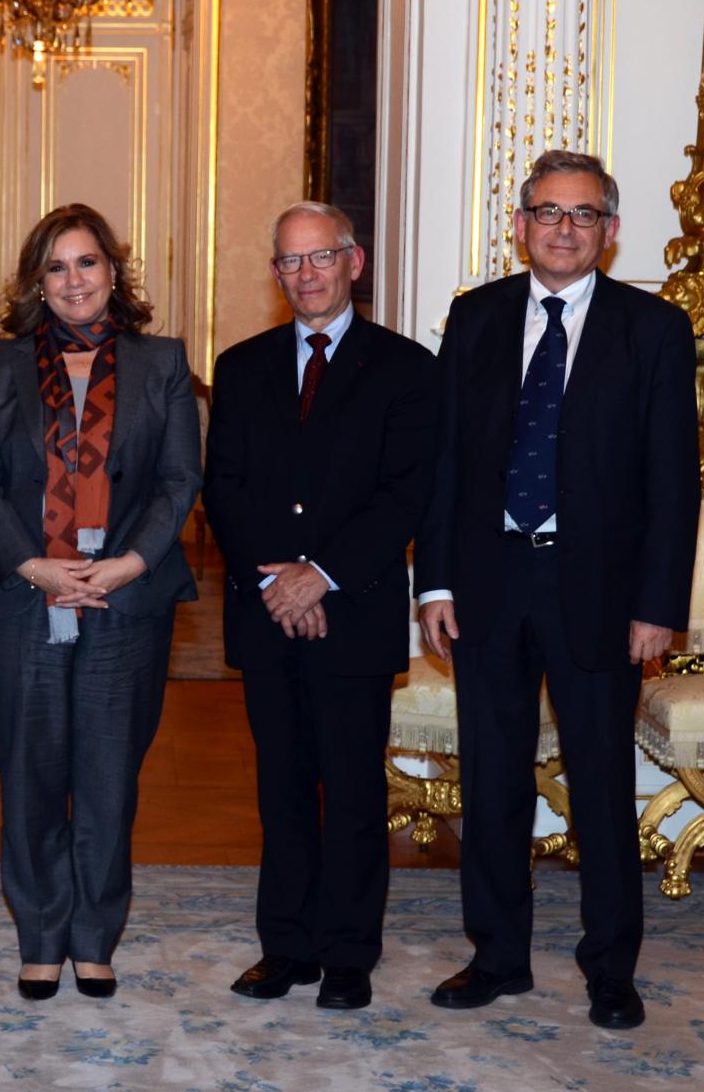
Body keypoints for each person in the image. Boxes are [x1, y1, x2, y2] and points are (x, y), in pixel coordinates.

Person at [414, 148, 699, 1031]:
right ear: (520, 224)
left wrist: (658, 607)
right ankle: (497, 956)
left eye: (582, 214)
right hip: (490, 583)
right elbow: (448, 462)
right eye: (548, 212)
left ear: (610, 231)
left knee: (603, 788)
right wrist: (436, 583)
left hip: (603, 597)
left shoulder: (653, 329)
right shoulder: (476, 317)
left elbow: (671, 482)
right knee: (492, 781)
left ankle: (611, 969)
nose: (563, 228)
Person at [0, 204, 201, 1001]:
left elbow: (177, 481)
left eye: (87, 263)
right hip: (24, 594)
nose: (73, 281)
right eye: (56, 267)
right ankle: (39, 933)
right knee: (28, 771)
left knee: (106, 776)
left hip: (126, 596)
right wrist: (35, 566)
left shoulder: (161, 361)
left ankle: (94, 936)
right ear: (37, 282)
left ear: (113, 271)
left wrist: (127, 563)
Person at [203, 201, 437, 1012]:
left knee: (352, 789)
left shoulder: (407, 369)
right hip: (268, 613)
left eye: (320, 258)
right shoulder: (240, 366)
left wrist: (321, 574)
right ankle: (285, 945)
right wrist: (278, 583)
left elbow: (404, 493)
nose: (305, 275)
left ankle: (347, 952)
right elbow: (223, 490)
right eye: (289, 262)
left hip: (354, 613)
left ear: (354, 262)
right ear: (275, 273)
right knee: (281, 788)